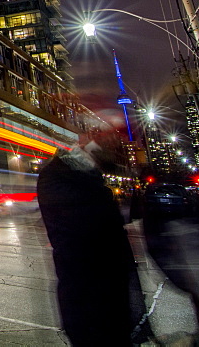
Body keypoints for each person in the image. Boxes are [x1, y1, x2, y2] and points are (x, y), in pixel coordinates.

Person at [38, 133, 149, 346]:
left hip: (104, 284)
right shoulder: (63, 177)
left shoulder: (84, 176)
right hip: (89, 285)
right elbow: (88, 225)